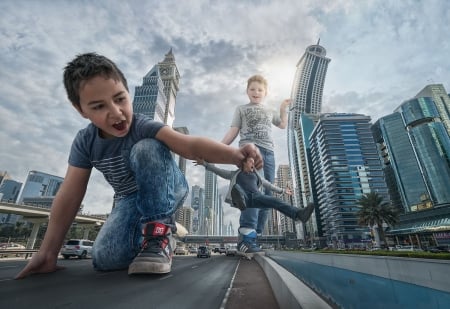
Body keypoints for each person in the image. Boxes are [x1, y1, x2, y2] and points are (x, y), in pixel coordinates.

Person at [15, 52, 262, 279]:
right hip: (129, 200)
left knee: (146, 146)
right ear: (81, 110)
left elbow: (189, 145)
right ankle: (158, 234)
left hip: (168, 187)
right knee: (104, 258)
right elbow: (70, 193)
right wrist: (48, 253)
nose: (116, 113)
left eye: (120, 99)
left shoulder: (142, 125)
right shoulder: (85, 142)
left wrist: (236, 156)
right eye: (99, 106)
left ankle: (159, 232)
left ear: (128, 93)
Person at [221, 74, 290, 253]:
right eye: (252, 89)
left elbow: (282, 125)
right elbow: (233, 131)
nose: (256, 92)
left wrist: (283, 108)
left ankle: (253, 236)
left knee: (266, 194)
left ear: (265, 92)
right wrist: (219, 148)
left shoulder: (269, 110)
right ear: (247, 91)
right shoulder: (241, 109)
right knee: (252, 191)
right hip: (250, 151)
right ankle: (246, 236)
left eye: (260, 90)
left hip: (269, 153)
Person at [195, 157, 315, 255]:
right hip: (244, 197)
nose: (253, 164)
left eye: (253, 162)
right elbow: (219, 171)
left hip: (257, 197)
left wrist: (283, 191)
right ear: (244, 163)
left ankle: (299, 214)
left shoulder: (256, 176)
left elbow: (268, 185)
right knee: (237, 189)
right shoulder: (234, 174)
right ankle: (240, 200)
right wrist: (205, 163)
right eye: (250, 161)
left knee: (275, 201)